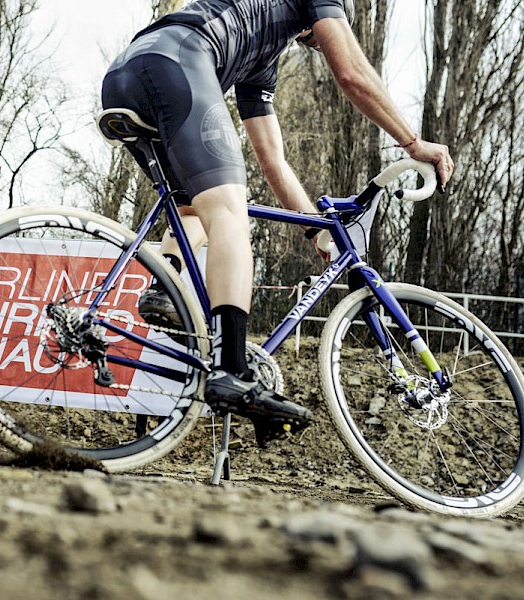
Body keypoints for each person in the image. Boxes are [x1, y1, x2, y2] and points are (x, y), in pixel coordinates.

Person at [101, 0, 454, 442]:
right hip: (178, 61)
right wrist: (413, 143)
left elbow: (274, 161)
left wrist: (313, 226)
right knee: (229, 211)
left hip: (127, 72)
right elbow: (353, 74)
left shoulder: (260, 59)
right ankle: (233, 371)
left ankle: (162, 290)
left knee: (196, 203)